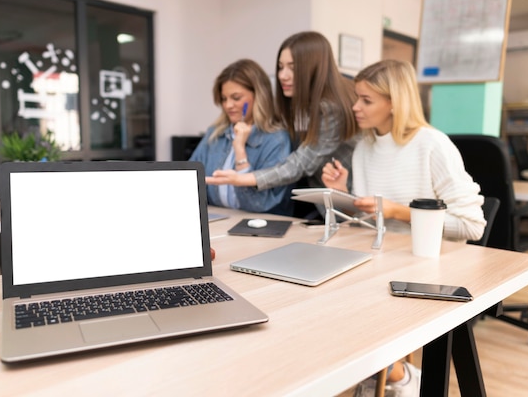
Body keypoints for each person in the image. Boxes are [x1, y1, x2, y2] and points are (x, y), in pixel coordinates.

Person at [321, 59, 486, 397]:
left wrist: (401, 212)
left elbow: (472, 226)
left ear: (393, 102)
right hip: (386, 259)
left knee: (350, 300)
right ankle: (392, 373)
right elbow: (372, 223)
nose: (355, 107)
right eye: (357, 98)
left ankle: (395, 375)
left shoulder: (432, 145)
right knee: (323, 290)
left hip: (432, 265)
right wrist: (343, 195)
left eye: (366, 100)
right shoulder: (365, 147)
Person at [206, 32, 359, 210]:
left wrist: (243, 178)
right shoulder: (216, 133)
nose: (282, 76)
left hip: (351, 200)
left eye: (292, 68)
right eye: (280, 67)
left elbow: (300, 164)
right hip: (328, 202)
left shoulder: (331, 108)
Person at [189, 59, 293, 215]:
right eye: (224, 99)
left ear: (259, 96)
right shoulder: (215, 134)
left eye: (236, 98)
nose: (228, 105)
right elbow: (191, 182)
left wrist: (240, 151)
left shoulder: (276, 140)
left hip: (261, 228)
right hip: (220, 221)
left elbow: (261, 205)